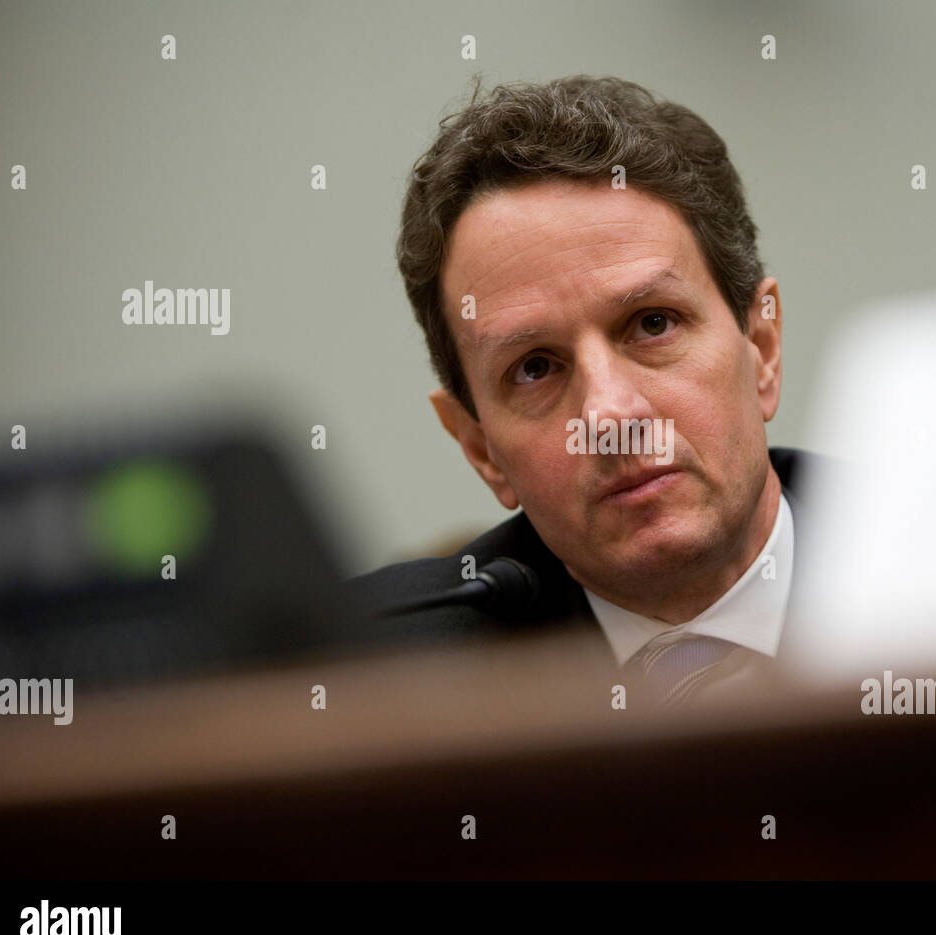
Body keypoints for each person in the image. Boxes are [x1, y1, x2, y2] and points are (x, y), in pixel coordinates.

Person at [347, 75, 832, 708]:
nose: (610, 414)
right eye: (535, 367)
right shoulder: (375, 687)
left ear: (761, 348)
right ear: (479, 446)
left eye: (652, 324)